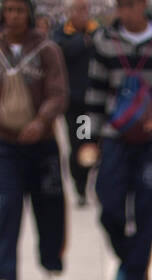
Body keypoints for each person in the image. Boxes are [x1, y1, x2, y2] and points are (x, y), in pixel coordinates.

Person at [82, 0, 152, 280]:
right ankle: (129, 260)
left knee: (147, 211)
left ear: (143, 5)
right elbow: (93, 95)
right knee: (108, 204)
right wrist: (85, 139)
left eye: (130, 5)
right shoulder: (104, 42)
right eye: (120, 6)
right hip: (114, 139)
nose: (125, 11)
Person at [0, 0, 69, 280]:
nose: (13, 16)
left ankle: (52, 265)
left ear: (28, 13)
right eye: (9, 10)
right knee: (9, 208)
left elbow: (59, 93)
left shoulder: (47, 51)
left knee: (49, 207)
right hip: (8, 147)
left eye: (19, 10)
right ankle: (4, 276)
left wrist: (41, 121)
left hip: (43, 147)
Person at [53, 0, 99, 206]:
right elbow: (61, 53)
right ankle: (80, 184)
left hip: (97, 102)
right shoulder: (62, 34)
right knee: (80, 143)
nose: (83, 13)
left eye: (86, 9)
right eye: (79, 9)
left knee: (93, 143)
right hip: (77, 103)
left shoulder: (98, 32)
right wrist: (82, 41)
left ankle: (87, 178)